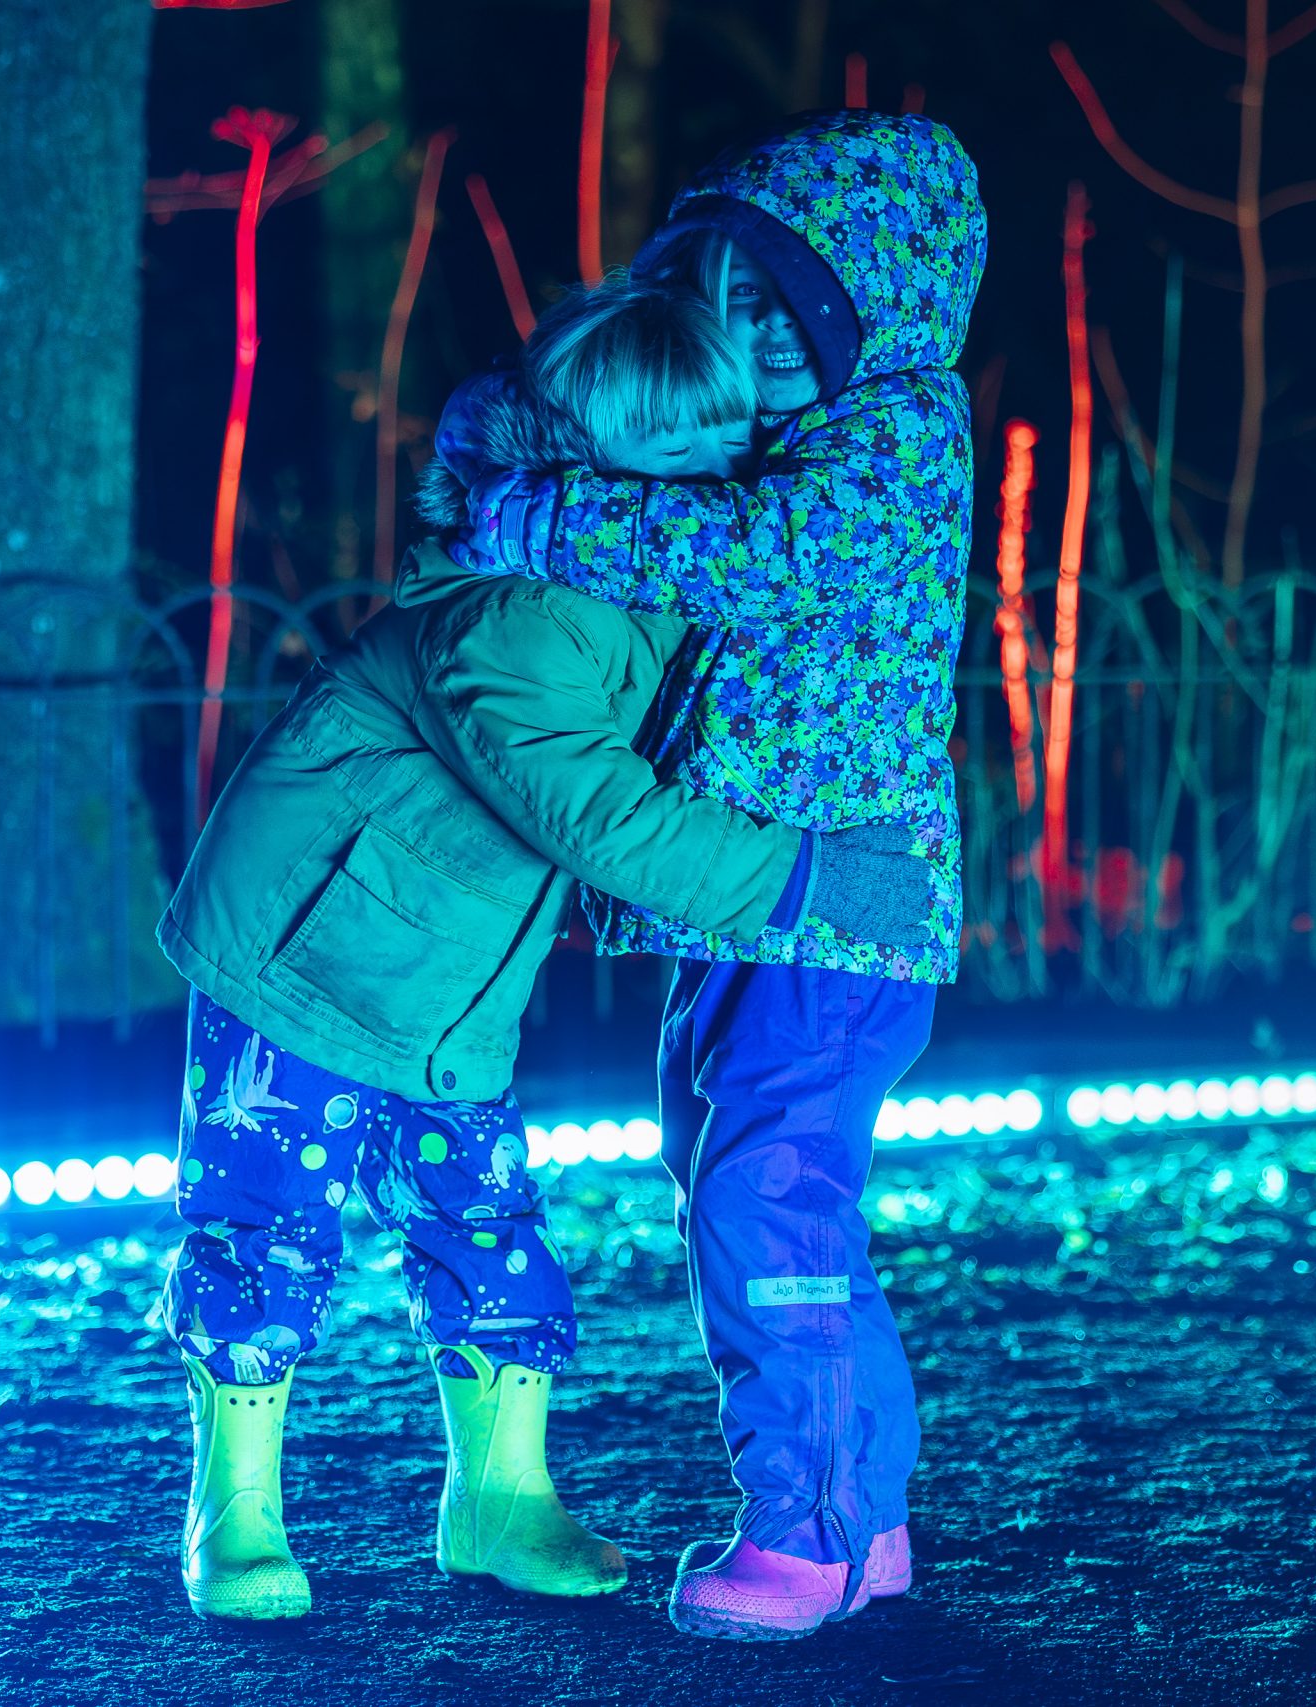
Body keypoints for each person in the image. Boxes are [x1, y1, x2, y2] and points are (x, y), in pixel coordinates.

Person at [152, 275, 938, 1621]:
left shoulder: (626, 583)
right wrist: (812, 875)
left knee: (489, 1228)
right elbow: (604, 819)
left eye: (728, 435)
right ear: (586, 455)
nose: (717, 471)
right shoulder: (511, 615)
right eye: (673, 445)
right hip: (302, 962)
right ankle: (235, 1512)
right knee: (266, 1228)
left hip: (450, 989)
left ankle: (499, 1499)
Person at [455, 111, 988, 1640]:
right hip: (762, 906)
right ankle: (861, 1519)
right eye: (724, 302)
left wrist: (536, 518)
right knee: (743, 1185)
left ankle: (806, 1536)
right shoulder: (814, 441)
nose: (749, 337)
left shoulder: (897, 437)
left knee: (770, 1203)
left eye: (783, 304)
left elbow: (755, 557)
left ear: (868, 304)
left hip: (834, 911)